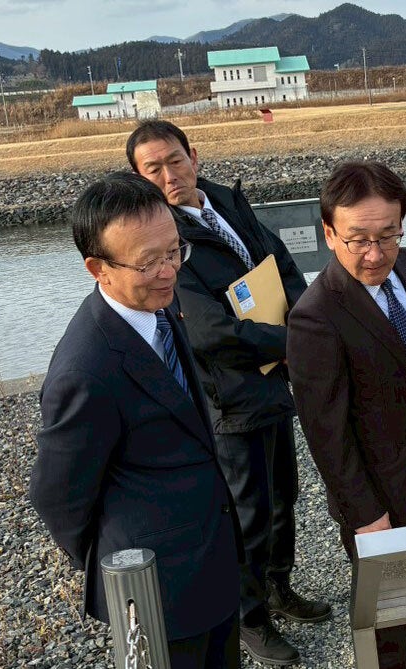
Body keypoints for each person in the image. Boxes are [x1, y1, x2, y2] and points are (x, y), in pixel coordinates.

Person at [126, 120, 330, 667]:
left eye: (175, 160)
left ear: (194, 156)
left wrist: (300, 325)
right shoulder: (163, 241)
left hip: (274, 378)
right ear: (139, 179)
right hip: (230, 396)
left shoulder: (226, 203)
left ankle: (278, 587)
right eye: (153, 169)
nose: (169, 175)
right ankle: (249, 618)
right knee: (247, 513)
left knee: (284, 495)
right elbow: (207, 331)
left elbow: (280, 264)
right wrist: (290, 343)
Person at [29, 172, 241, 668]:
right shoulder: (86, 370)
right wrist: (117, 558)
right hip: (155, 589)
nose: (168, 271)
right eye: (148, 262)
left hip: (212, 556)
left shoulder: (156, 305)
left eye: (174, 252)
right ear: (97, 269)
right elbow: (57, 496)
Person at [287, 161, 406, 669]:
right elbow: (327, 435)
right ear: (329, 233)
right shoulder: (315, 315)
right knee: (387, 629)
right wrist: (365, 516)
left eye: (388, 235)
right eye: (358, 240)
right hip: (378, 496)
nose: (375, 253)